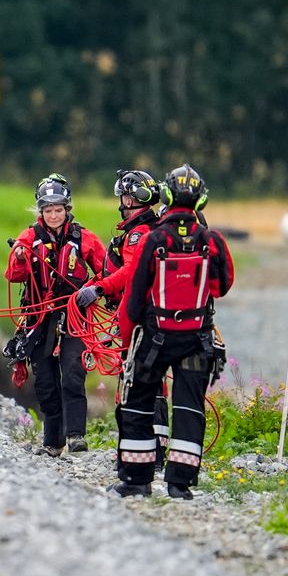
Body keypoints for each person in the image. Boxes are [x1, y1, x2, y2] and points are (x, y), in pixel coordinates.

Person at [109, 164, 235, 499]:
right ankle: (180, 485)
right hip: (197, 339)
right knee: (189, 408)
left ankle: (137, 481)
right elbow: (222, 286)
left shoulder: (154, 239)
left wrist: (130, 333)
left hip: (155, 338)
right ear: (201, 200)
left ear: (164, 196)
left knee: (138, 403)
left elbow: (135, 296)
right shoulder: (213, 241)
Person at [4, 174, 109, 456]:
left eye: (58, 209)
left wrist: (92, 290)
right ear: (41, 211)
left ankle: (76, 435)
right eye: (48, 210)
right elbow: (13, 275)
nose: (53, 215)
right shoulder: (28, 238)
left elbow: (105, 273)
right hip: (39, 319)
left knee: (73, 374)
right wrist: (20, 258)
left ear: (67, 210)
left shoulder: (83, 238)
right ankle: (52, 442)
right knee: (45, 380)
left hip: (75, 317)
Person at [77, 169, 168, 461]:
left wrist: (100, 289)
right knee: (147, 382)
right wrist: (95, 284)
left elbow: (130, 273)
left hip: (139, 319)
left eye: (125, 196)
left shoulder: (138, 234)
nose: (122, 201)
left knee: (135, 382)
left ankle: (140, 450)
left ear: (134, 198)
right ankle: (152, 448)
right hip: (145, 316)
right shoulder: (141, 231)